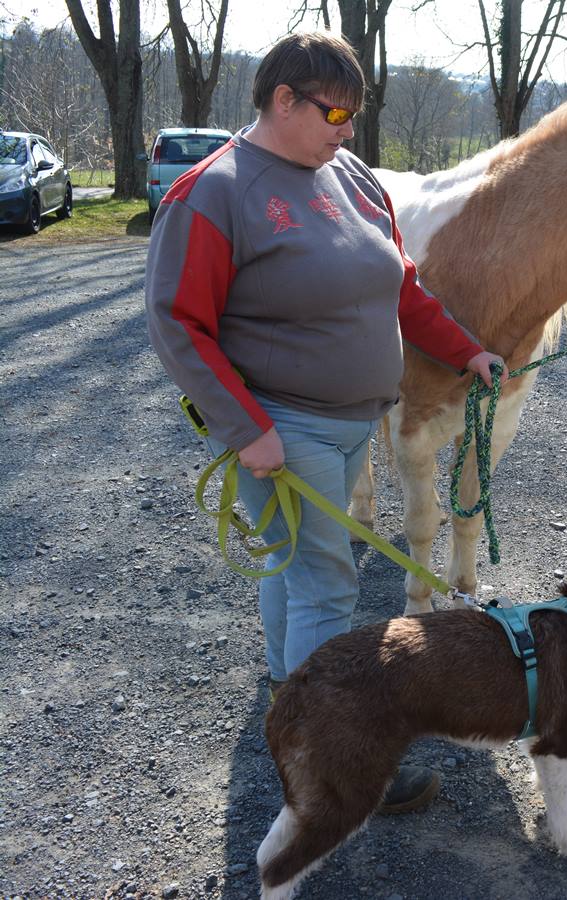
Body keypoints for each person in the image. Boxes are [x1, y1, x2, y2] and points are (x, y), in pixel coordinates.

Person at [145, 31, 507, 814]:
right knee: (327, 583)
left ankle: (291, 703)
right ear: (283, 101)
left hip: (351, 422)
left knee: (293, 567)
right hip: (284, 428)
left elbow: (403, 285)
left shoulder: (349, 175)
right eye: (336, 112)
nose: (348, 130)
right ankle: (334, 760)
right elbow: (179, 324)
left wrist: (466, 350)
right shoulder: (214, 192)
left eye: (354, 114)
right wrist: (246, 429)